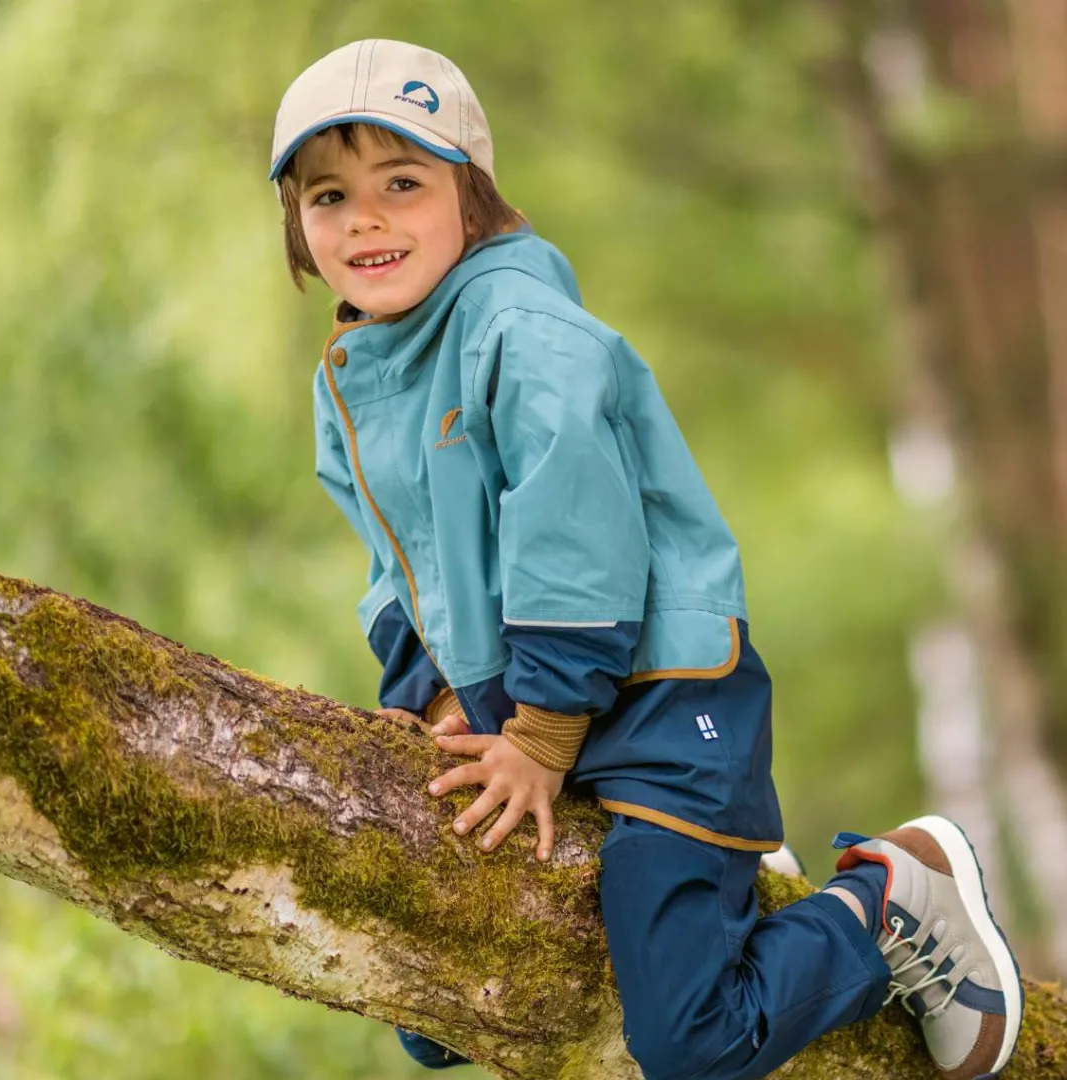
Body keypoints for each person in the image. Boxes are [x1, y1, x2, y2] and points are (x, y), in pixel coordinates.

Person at [267, 39, 1024, 1080]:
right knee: (439, 1009)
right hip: (532, 703)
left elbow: (576, 540)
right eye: (329, 196)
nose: (365, 219)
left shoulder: (523, 330)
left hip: (655, 694)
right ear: (299, 231)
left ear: (472, 197)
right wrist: (432, 698)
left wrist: (542, 738)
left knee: (689, 1037)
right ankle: (717, 890)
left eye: (402, 183)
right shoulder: (355, 378)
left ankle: (885, 902)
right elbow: (399, 569)